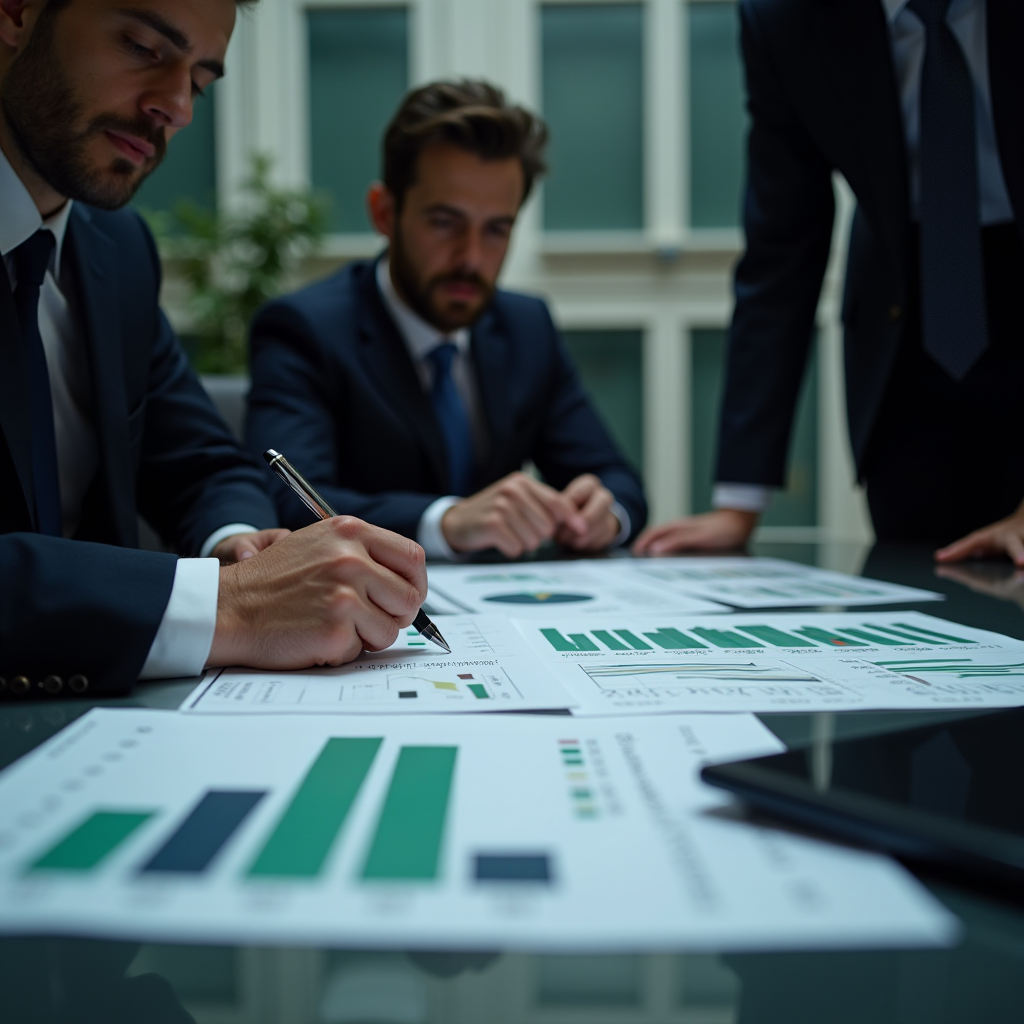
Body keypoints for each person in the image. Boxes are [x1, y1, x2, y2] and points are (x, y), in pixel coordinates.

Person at [0, 0, 427, 699]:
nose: (178, 108)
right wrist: (231, 605)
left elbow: (198, 460)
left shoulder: (117, 251)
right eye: (143, 47)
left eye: (199, 80)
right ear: (17, 12)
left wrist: (241, 543)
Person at [635, 0, 1024, 566]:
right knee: (919, 590)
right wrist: (738, 502)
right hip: (905, 322)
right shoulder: (786, 19)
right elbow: (780, 254)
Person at [245, 80, 647, 561]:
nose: (471, 258)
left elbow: (618, 480)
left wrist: (606, 513)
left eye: (497, 230)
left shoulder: (527, 325)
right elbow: (291, 502)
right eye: (445, 223)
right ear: (385, 213)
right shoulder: (304, 328)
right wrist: (445, 522)